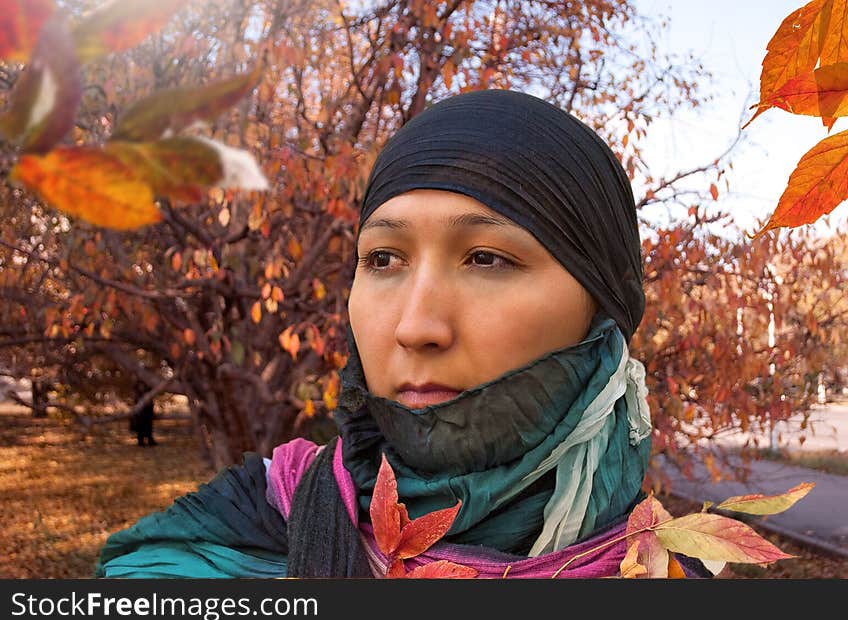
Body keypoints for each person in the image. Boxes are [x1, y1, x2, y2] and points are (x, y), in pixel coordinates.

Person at [95, 89, 712, 578]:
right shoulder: (253, 519)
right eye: (384, 259)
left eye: (487, 259)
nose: (415, 327)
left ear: (600, 309)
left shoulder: (664, 575)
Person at [129, 380, 157, 447]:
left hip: (148, 409)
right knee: (140, 425)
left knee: (149, 425)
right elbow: (136, 399)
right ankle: (141, 441)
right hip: (141, 410)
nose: (142, 387)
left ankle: (150, 440)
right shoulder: (137, 390)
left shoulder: (148, 388)